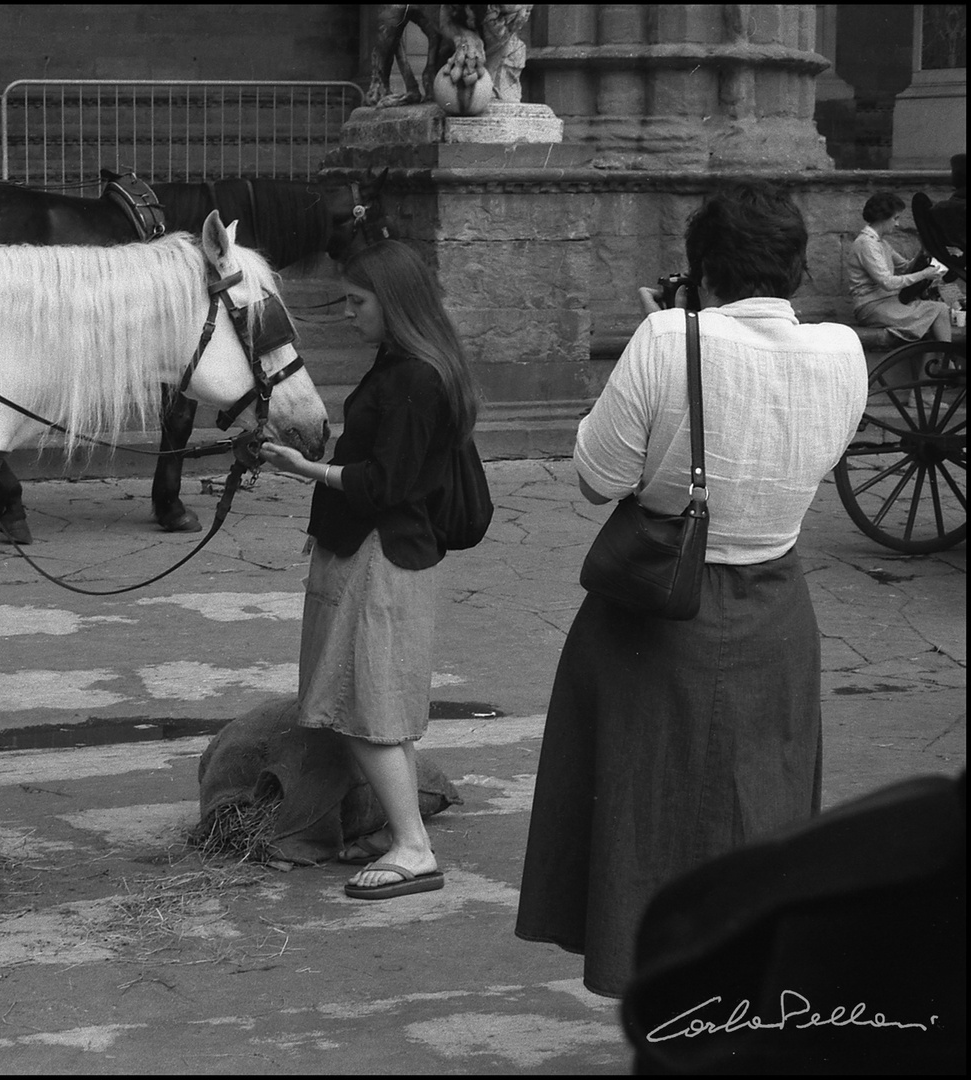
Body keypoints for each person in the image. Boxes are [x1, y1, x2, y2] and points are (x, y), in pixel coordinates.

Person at [514, 181, 870, 998]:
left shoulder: (667, 337)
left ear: (701, 270)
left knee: (644, 808)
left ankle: (660, 990)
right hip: (776, 603)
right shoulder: (843, 351)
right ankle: (745, 991)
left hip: (658, 605)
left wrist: (667, 335)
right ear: (794, 267)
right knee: (760, 804)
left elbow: (595, 478)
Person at [258, 238, 477, 900]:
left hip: (383, 553)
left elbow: (387, 484)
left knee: (366, 707)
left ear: (394, 303)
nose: (348, 314)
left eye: (356, 302)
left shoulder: (414, 377)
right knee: (361, 703)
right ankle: (400, 829)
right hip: (370, 549)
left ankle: (413, 847)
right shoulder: (405, 363)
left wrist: (305, 470)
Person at [843, 191, 951, 342]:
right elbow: (887, 282)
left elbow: (906, 267)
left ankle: (942, 362)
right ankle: (949, 360)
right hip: (871, 307)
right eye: (895, 218)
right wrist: (924, 274)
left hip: (889, 303)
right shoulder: (866, 244)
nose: (897, 223)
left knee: (935, 312)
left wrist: (923, 251)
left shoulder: (881, 243)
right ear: (882, 217)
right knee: (938, 310)